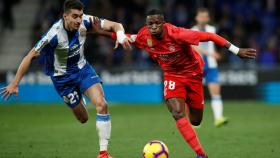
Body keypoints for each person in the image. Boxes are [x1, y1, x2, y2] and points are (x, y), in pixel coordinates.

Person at [98, 9, 256, 158]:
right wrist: (95, 30)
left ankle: (185, 103)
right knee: (177, 113)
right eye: (150, 24)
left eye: (157, 23)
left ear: (163, 23)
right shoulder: (144, 36)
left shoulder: (178, 34)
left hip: (193, 75)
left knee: (195, 120)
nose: (153, 27)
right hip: (172, 76)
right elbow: (125, 36)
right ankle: (201, 154)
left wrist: (237, 51)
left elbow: (210, 36)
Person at [0, 0, 131, 158]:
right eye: (74, 16)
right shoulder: (53, 34)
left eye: (80, 16)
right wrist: (14, 83)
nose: (78, 20)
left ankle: (103, 153)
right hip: (62, 79)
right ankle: (79, 98)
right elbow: (30, 55)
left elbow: (116, 25)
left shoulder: (86, 21)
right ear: (65, 16)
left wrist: (121, 35)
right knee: (83, 118)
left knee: (102, 105)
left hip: (82, 69)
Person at [191, 8, 228, 127]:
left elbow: (213, 45)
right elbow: (192, 47)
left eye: (205, 16)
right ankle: (194, 121)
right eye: (201, 16)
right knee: (194, 95)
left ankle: (218, 118)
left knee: (216, 91)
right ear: (196, 18)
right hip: (196, 65)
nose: (203, 19)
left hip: (211, 65)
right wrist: (209, 53)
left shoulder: (212, 29)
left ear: (208, 18)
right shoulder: (192, 31)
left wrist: (215, 54)